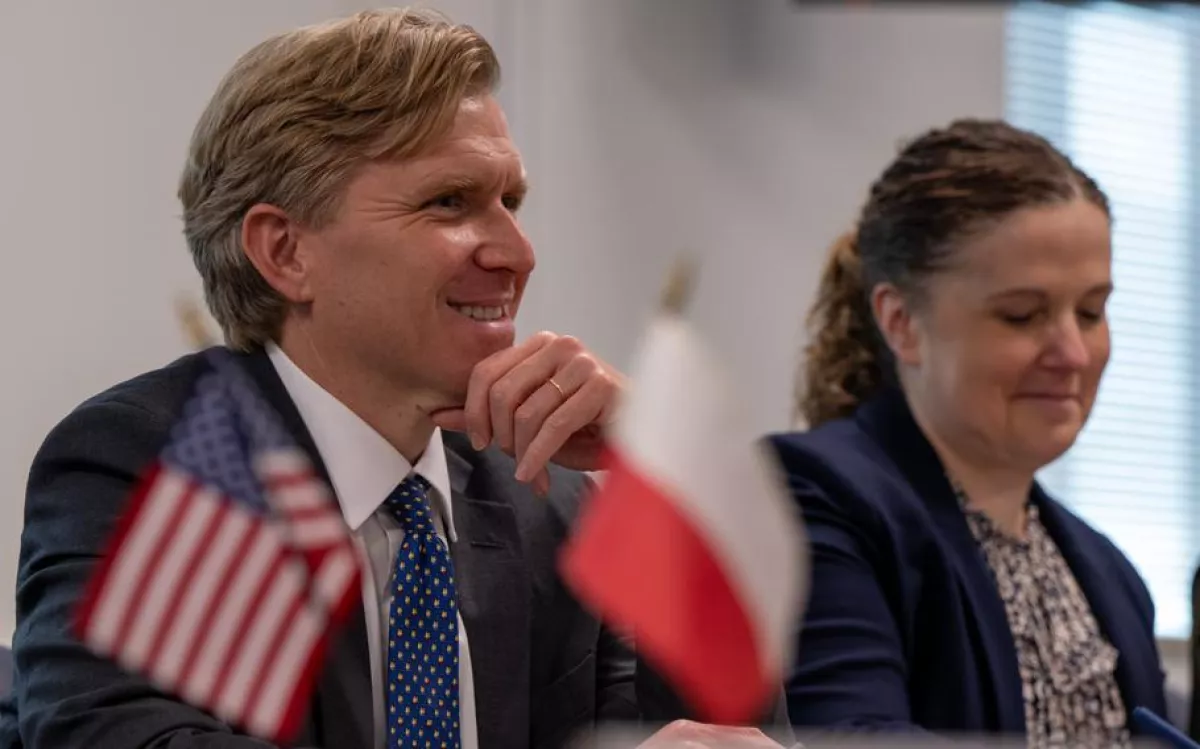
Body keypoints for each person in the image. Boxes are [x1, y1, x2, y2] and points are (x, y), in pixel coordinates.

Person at [0, 9, 787, 749]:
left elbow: (709, 732)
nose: (518, 253)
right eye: (450, 202)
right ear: (285, 252)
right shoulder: (149, 465)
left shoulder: (548, 498)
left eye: (511, 201)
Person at [767, 119, 1166, 744]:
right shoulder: (812, 495)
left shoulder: (1111, 573)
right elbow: (853, 739)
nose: (1073, 353)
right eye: (1022, 315)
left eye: (1091, 311)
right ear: (901, 322)